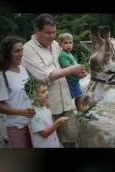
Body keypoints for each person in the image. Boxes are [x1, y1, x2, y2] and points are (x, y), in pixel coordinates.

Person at [21, 14, 85, 148]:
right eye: (48, 33)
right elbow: (44, 76)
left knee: (71, 138)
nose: (52, 36)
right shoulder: (27, 50)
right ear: (37, 31)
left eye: (54, 32)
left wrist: (76, 75)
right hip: (46, 106)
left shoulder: (56, 44)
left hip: (65, 101)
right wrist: (72, 69)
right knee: (50, 142)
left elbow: (61, 68)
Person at [0, 36, 36, 148]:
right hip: (16, 127)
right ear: (7, 53)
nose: (21, 54)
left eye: (22, 50)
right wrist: (21, 112)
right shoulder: (2, 77)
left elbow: (28, 92)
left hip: (32, 124)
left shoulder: (23, 69)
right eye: (17, 51)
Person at [24, 77, 68, 148]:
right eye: (43, 92)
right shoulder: (34, 113)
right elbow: (44, 134)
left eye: (47, 90)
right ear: (33, 96)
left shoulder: (44, 107)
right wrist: (58, 122)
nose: (47, 93)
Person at [58, 33, 86, 111]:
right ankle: (80, 110)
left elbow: (74, 65)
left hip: (74, 79)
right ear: (60, 44)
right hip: (71, 80)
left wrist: (81, 70)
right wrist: (78, 75)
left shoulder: (69, 54)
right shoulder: (63, 55)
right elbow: (67, 68)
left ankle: (78, 109)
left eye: (70, 43)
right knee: (78, 95)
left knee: (78, 95)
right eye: (65, 43)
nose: (68, 45)